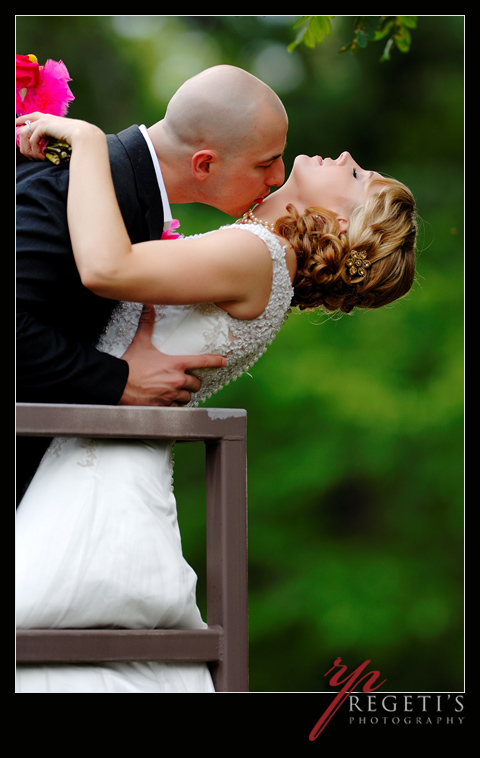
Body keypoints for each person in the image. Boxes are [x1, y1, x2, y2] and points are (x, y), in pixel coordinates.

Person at [15, 113, 417, 694]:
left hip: (98, 470)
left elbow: (107, 267)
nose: (346, 157)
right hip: (91, 450)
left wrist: (85, 141)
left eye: (356, 177)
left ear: (342, 219)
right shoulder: (262, 256)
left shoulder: (258, 255)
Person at [16, 64, 288, 502]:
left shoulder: (114, 183)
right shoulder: (70, 184)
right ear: (205, 163)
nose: (277, 177)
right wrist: (117, 380)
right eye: (266, 162)